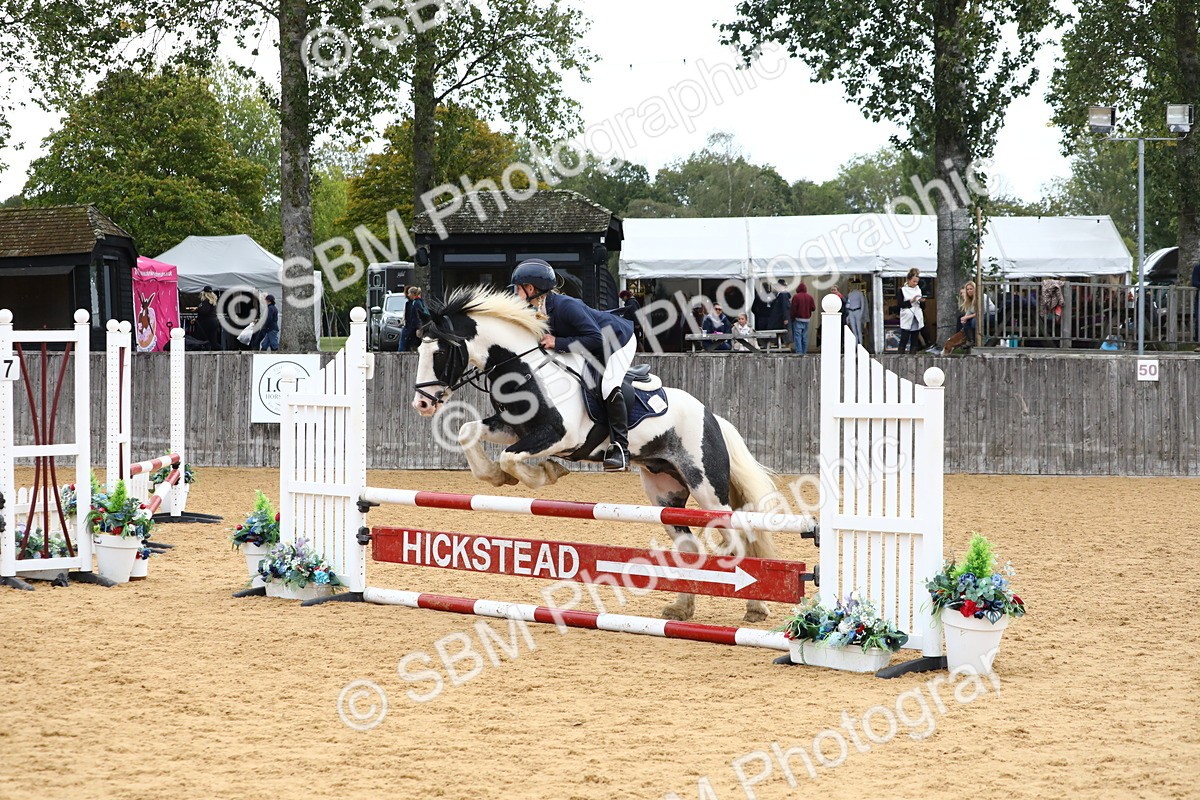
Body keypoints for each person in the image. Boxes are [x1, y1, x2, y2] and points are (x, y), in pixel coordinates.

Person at [511, 259, 635, 472]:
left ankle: (620, 449)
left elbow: (596, 338)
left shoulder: (567, 306)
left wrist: (558, 342)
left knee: (608, 386)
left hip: (617, 340)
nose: (515, 293)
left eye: (518, 288)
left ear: (531, 288)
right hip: (590, 345)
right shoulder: (537, 310)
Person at [929, 282, 996, 355]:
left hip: (991, 315)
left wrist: (967, 317)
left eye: (971, 289)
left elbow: (982, 312)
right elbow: (969, 312)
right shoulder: (969, 299)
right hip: (979, 317)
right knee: (965, 321)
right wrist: (964, 319)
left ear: (975, 289)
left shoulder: (982, 296)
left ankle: (978, 339)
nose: (969, 291)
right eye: (968, 289)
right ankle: (970, 341)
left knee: (974, 321)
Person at [897, 269, 924, 354]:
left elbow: (922, 306)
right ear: (909, 280)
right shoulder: (902, 290)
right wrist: (911, 301)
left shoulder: (918, 290)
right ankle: (900, 354)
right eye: (914, 281)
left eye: (917, 282)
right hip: (907, 314)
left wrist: (922, 302)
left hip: (916, 314)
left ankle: (913, 354)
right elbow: (900, 304)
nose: (915, 284)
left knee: (915, 336)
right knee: (904, 336)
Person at [790, 282, 816, 354]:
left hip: (798, 319)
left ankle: (799, 352)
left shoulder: (796, 297)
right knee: (804, 336)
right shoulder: (810, 297)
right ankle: (804, 352)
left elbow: (793, 309)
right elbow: (813, 308)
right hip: (807, 319)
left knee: (798, 336)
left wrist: (792, 317)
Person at [401, 286, 430, 352]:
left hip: (414, 328)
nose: (408, 295)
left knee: (410, 345)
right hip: (415, 327)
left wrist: (418, 328)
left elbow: (417, 316)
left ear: (413, 294)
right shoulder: (420, 302)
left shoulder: (416, 303)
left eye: (409, 293)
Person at [196, 286, 222, 350]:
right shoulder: (213, 301)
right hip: (214, 321)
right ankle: (220, 350)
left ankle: (219, 349)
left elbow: (204, 311)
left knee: (202, 339)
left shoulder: (206, 301)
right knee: (213, 340)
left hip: (207, 322)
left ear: (204, 293)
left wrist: (197, 309)